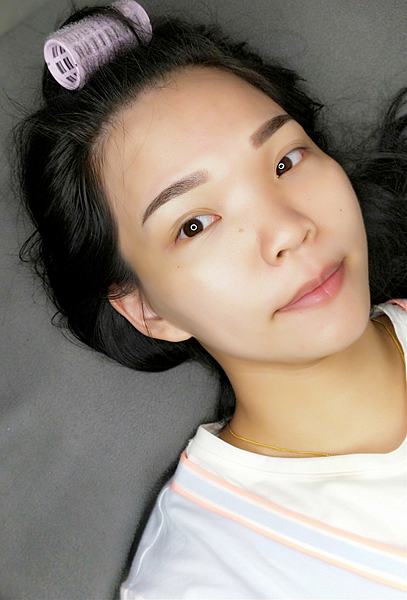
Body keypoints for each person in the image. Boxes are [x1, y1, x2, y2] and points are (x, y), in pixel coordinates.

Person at [15, 1, 406, 598]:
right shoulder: (207, 575)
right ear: (147, 310)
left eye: (285, 160)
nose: (288, 229)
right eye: (195, 224)